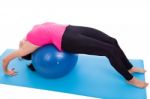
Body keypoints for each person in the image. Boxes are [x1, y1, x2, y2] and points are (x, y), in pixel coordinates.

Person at [2, 22, 148, 88]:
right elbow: (8, 58)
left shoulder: (31, 31)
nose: (21, 43)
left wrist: (21, 42)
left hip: (71, 28)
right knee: (108, 50)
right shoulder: (28, 47)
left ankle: (129, 67)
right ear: (31, 53)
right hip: (67, 40)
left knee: (112, 41)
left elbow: (29, 38)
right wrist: (6, 70)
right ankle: (130, 79)